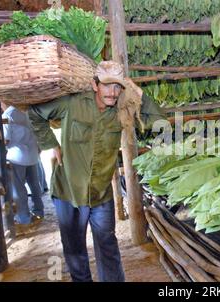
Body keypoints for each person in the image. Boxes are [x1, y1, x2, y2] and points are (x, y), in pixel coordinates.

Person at [28, 61, 164, 282]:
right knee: (75, 250)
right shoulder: (72, 104)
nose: (113, 92)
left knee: (108, 246)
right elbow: (35, 113)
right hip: (69, 193)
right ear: (94, 85)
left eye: (118, 87)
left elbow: (159, 121)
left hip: (101, 193)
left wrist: (138, 93)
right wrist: (50, 143)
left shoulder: (122, 109)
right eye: (107, 85)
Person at [1, 104, 44, 230]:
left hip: (16, 157)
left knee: (18, 190)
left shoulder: (8, 115)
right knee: (35, 186)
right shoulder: (27, 110)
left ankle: (24, 218)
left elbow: (5, 140)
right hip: (32, 155)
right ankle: (39, 212)